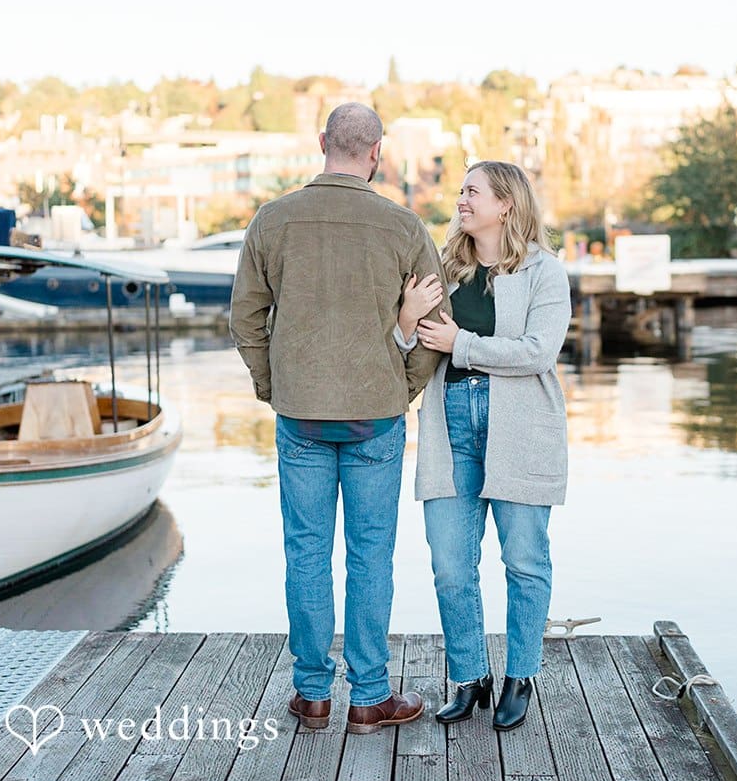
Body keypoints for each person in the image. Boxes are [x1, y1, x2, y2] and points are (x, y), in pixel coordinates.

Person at [230, 102, 445, 735]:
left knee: (305, 550)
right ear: (376, 152)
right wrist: (401, 386)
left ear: (322, 142)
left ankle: (313, 694)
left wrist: (275, 386)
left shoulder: (273, 221)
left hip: (301, 415)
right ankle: (371, 695)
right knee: (371, 555)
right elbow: (435, 325)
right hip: (375, 416)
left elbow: (245, 318)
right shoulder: (403, 227)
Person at [396, 160, 572, 732]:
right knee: (451, 565)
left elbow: (537, 352)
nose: (461, 200)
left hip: (519, 430)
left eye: (472, 191)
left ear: (506, 204)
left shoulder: (546, 272)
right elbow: (407, 345)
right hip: (451, 429)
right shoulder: (444, 269)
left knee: (524, 561)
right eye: (462, 191)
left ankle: (521, 676)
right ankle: (471, 677)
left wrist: (461, 342)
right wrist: (405, 319)